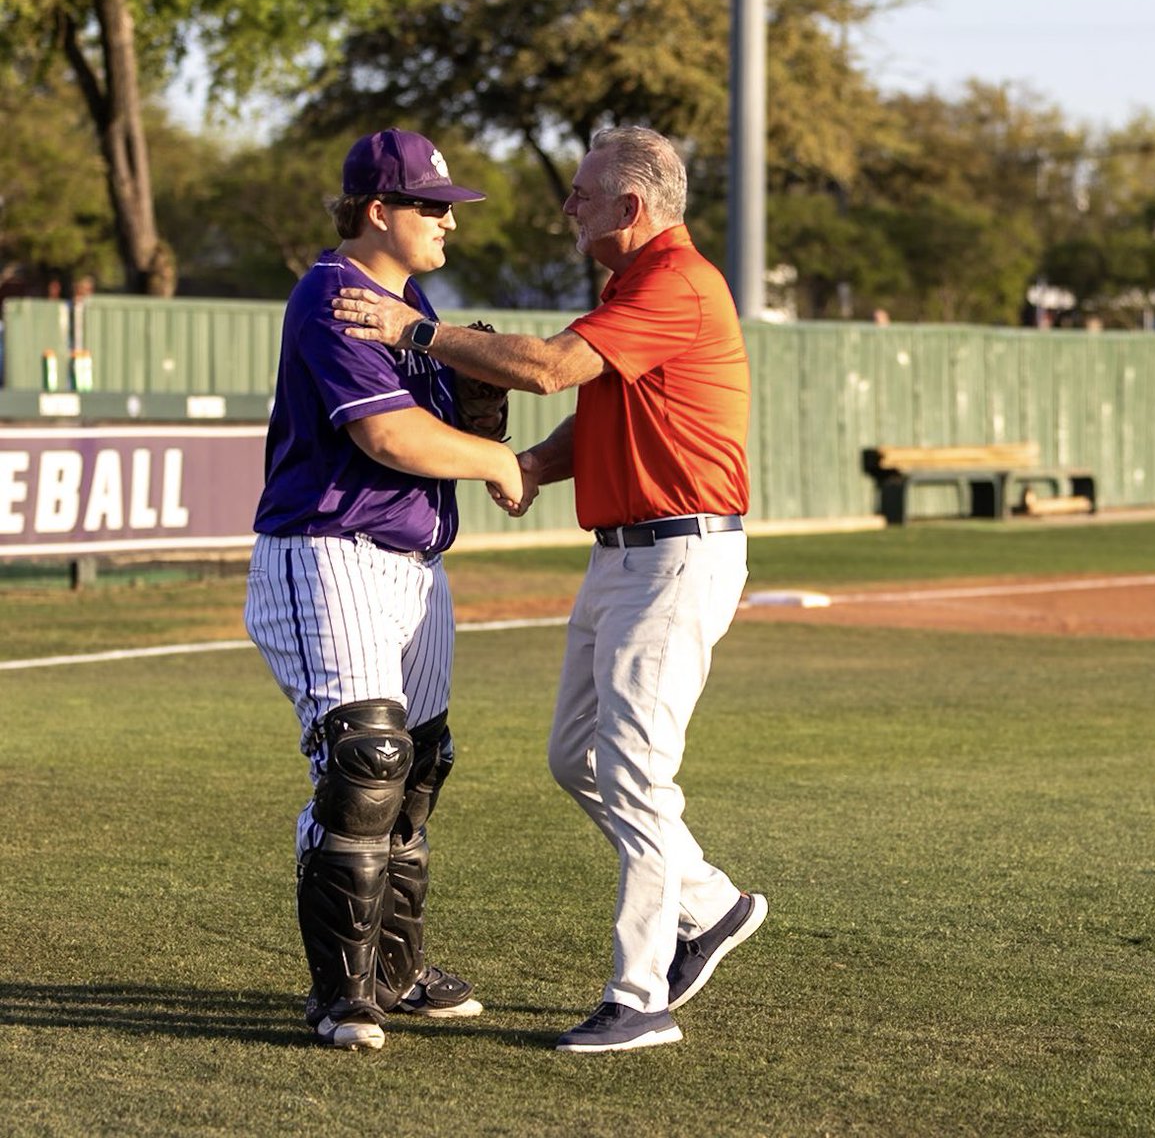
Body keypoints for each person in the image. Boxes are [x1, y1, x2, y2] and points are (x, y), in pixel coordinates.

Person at [332, 125, 768, 1055]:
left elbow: (548, 369)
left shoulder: (678, 283)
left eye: (582, 193)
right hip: (624, 557)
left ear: (630, 208)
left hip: (677, 555)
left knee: (636, 772)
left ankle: (639, 997)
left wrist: (416, 330)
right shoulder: (632, 286)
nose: (567, 206)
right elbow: (598, 414)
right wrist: (527, 466)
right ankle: (710, 903)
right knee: (577, 759)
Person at [244, 128, 524, 1051]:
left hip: (413, 564)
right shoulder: (336, 295)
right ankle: (342, 997)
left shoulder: (413, 306)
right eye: (430, 205)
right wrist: (496, 459)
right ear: (377, 210)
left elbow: (440, 422)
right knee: (367, 759)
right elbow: (388, 439)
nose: (448, 221)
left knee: (418, 767)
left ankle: (395, 976)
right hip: (329, 549)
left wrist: (477, 406)